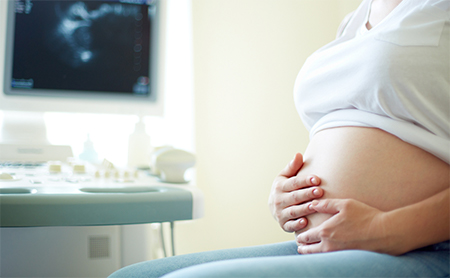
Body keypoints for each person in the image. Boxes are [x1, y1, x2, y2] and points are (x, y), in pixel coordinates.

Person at [109, 0, 449, 276]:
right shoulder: (354, 21)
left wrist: (387, 228)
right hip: (327, 243)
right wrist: (289, 197)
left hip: (423, 246)